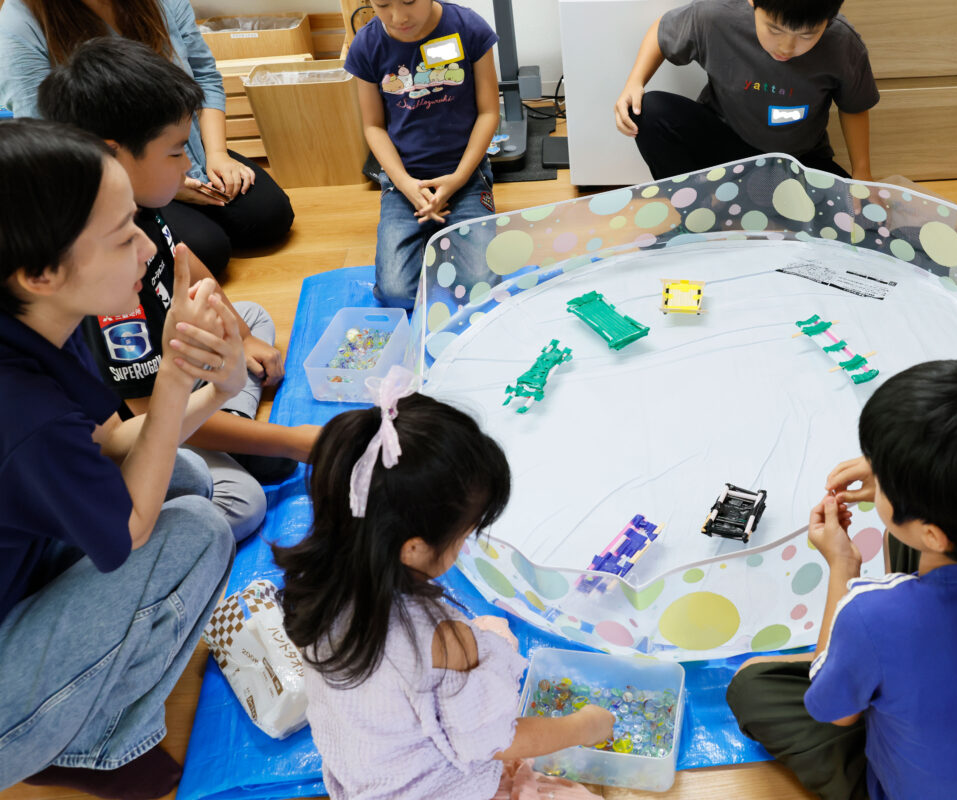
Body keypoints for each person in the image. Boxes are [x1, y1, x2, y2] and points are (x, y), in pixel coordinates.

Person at [0, 118, 242, 800]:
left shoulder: (40, 318)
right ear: (40, 274)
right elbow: (130, 528)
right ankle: (90, 743)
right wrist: (176, 373)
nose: (146, 247)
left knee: (186, 477)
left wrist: (216, 389)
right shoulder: (24, 412)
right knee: (198, 531)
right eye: (121, 236)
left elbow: (114, 440)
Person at [726, 359, 957, 800]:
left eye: (884, 479)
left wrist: (842, 565)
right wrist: (904, 474)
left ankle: (857, 670)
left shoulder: (869, 614)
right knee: (901, 554)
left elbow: (833, 713)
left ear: (933, 534)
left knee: (749, 682)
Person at [273, 368, 614, 799]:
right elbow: (498, 742)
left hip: (363, 773)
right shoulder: (442, 641)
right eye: (464, 535)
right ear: (413, 549)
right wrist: (583, 726)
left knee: (491, 632)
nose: (465, 544)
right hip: (429, 788)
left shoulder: (316, 583)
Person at [39, 38, 322, 541]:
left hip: (168, 372)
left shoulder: (139, 207)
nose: (188, 167)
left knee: (251, 316)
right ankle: (233, 433)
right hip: (142, 418)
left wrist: (241, 338)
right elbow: (144, 421)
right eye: (175, 153)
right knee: (240, 501)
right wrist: (293, 441)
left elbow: (185, 265)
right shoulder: (100, 278)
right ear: (112, 155)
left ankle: (231, 427)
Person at [0, 0, 295, 276]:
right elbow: (48, 136)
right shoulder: (20, 23)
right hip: (118, 175)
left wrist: (217, 154)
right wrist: (166, 184)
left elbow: (205, 76)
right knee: (207, 249)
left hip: (182, 150)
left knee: (270, 215)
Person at [344, 0, 500, 308]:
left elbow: (489, 112)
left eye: (410, 1)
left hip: (465, 177)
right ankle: (436, 234)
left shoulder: (469, 28)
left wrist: (459, 178)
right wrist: (404, 183)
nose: (398, 17)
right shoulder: (367, 45)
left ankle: (439, 233)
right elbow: (373, 126)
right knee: (396, 293)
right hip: (404, 182)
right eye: (383, 4)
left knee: (480, 287)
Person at [614, 0, 877, 181]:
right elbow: (662, 29)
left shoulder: (843, 43)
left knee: (861, 225)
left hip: (796, 161)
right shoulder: (717, 15)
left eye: (806, 36)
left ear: (828, 20)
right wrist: (634, 82)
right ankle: (694, 208)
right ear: (753, 3)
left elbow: (854, 107)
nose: (786, 47)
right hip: (724, 149)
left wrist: (862, 173)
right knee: (648, 110)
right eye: (774, 29)